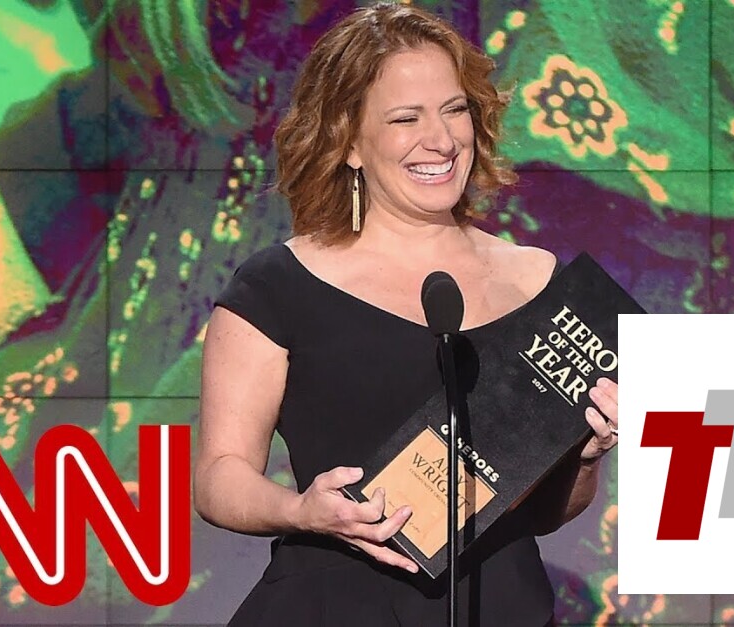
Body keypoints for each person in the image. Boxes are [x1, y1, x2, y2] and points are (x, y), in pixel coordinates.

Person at [193, 4, 620, 625]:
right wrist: (300, 510)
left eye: (454, 109)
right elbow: (218, 478)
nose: (441, 140)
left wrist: (587, 456)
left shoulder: (540, 284)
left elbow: (542, 513)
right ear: (348, 142)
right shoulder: (278, 285)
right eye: (405, 118)